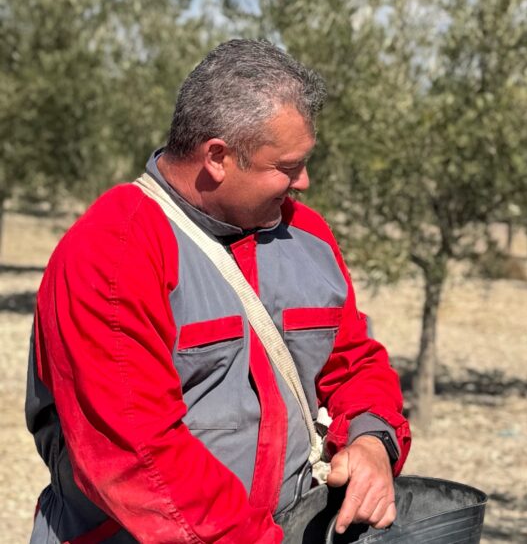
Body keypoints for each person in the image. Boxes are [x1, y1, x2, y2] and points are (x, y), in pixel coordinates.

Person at [26, 39, 411, 543]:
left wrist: (373, 441)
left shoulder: (308, 236)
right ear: (217, 157)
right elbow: (137, 459)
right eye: (289, 166)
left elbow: (354, 363)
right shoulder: (114, 252)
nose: (305, 181)